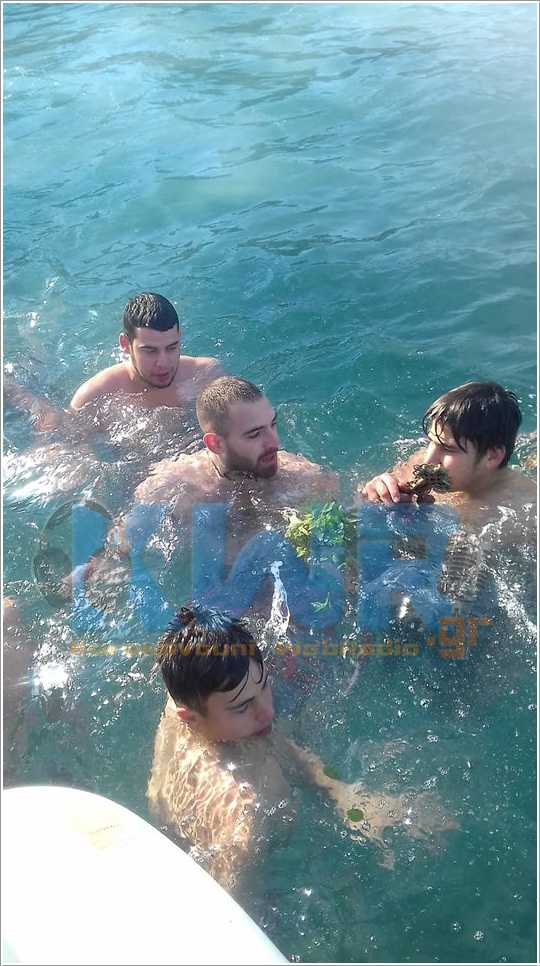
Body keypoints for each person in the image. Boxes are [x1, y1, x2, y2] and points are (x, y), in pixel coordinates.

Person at [147, 606, 457, 892]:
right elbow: (231, 900)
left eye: (264, 685)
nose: (267, 711)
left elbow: (285, 748)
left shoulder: (189, 691)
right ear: (191, 719)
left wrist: (346, 797)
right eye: (243, 706)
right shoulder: (241, 815)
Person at [133, 374, 340, 517]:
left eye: (273, 424)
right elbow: (125, 547)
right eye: (255, 434)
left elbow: (339, 544)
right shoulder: (170, 487)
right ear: (215, 444)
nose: (275, 443)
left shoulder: (303, 479)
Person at [359, 380, 536, 537]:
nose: (428, 460)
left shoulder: (520, 516)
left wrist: (415, 528)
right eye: (431, 441)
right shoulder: (422, 460)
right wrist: (375, 497)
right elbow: (359, 516)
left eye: (447, 448)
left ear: (493, 456)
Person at [69, 292, 223, 418]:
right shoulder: (92, 397)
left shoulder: (206, 374)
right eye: (150, 351)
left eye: (171, 347)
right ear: (125, 344)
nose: (163, 363)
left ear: (180, 337)